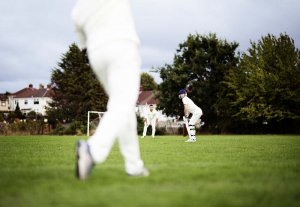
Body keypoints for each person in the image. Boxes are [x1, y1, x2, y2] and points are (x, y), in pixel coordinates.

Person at [72, 0, 149, 180]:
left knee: (124, 107)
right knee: (122, 103)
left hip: (96, 54)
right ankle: (92, 151)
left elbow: (83, 44)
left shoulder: (77, 10)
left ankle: (134, 166)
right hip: (121, 45)